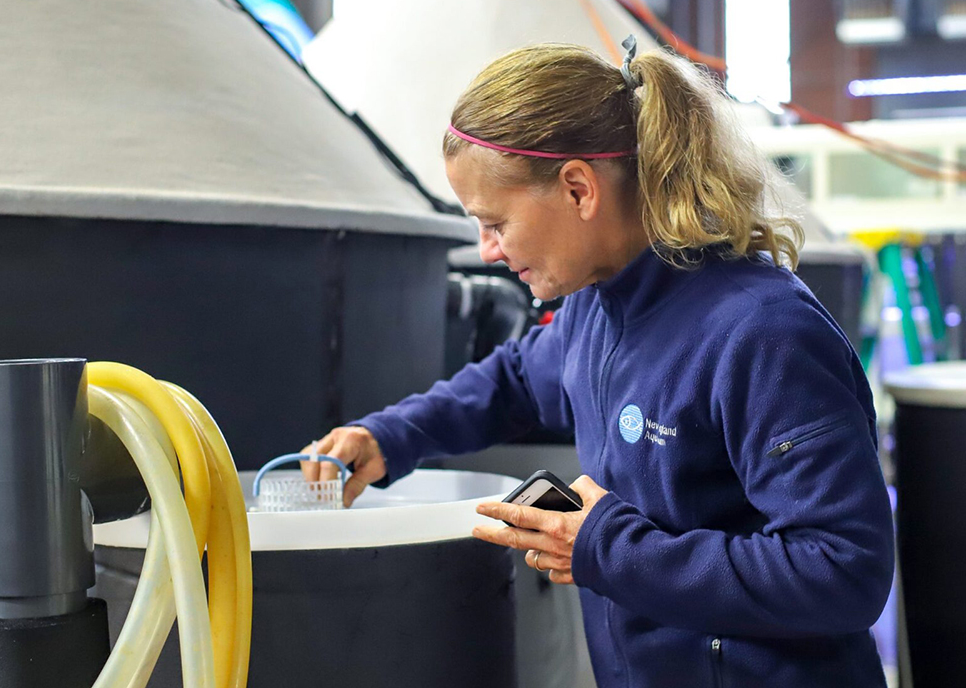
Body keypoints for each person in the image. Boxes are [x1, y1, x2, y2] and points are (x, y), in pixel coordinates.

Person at [303, 38, 894, 687]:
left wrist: (607, 548)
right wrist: (389, 437)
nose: (488, 250)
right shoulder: (597, 307)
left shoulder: (763, 333)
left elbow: (844, 571)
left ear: (579, 189)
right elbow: (516, 380)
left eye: (495, 223)